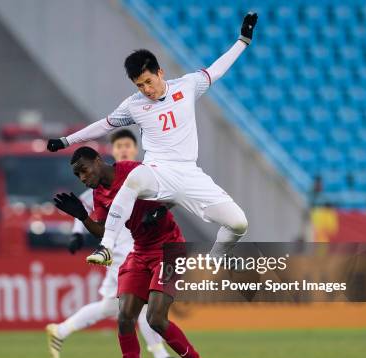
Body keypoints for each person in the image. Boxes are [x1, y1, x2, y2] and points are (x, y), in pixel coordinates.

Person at [47, 13, 258, 267]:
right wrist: (66, 141)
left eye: (148, 81)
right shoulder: (133, 106)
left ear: (160, 72)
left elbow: (217, 69)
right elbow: (104, 124)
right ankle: (106, 247)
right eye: (139, 85)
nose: (146, 89)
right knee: (135, 178)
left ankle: (213, 262)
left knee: (238, 223)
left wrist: (243, 40)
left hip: (189, 174)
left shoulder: (187, 86)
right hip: (157, 171)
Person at [54, 146, 214, 358]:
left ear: (97, 160)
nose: (82, 178)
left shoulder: (131, 171)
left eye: (84, 170)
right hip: (140, 252)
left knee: (155, 319)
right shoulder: (99, 194)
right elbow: (106, 233)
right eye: (77, 176)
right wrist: (83, 217)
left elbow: (175, 187)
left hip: (169, 248)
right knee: (125, 317)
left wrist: (161, 209)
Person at [46, 130, 186, 358]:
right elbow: (86, 211)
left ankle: (61, 330)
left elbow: (168, 191)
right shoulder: (96, 187)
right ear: (110, 152)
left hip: (139, 246)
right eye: (118, 146)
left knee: (114, 307)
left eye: (127, 146)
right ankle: (161, 357)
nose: (123, 150)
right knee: (139, 303)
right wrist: (76, 232)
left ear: (133, 150)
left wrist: (160, 210)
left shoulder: (137, 172)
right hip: (121, 251)